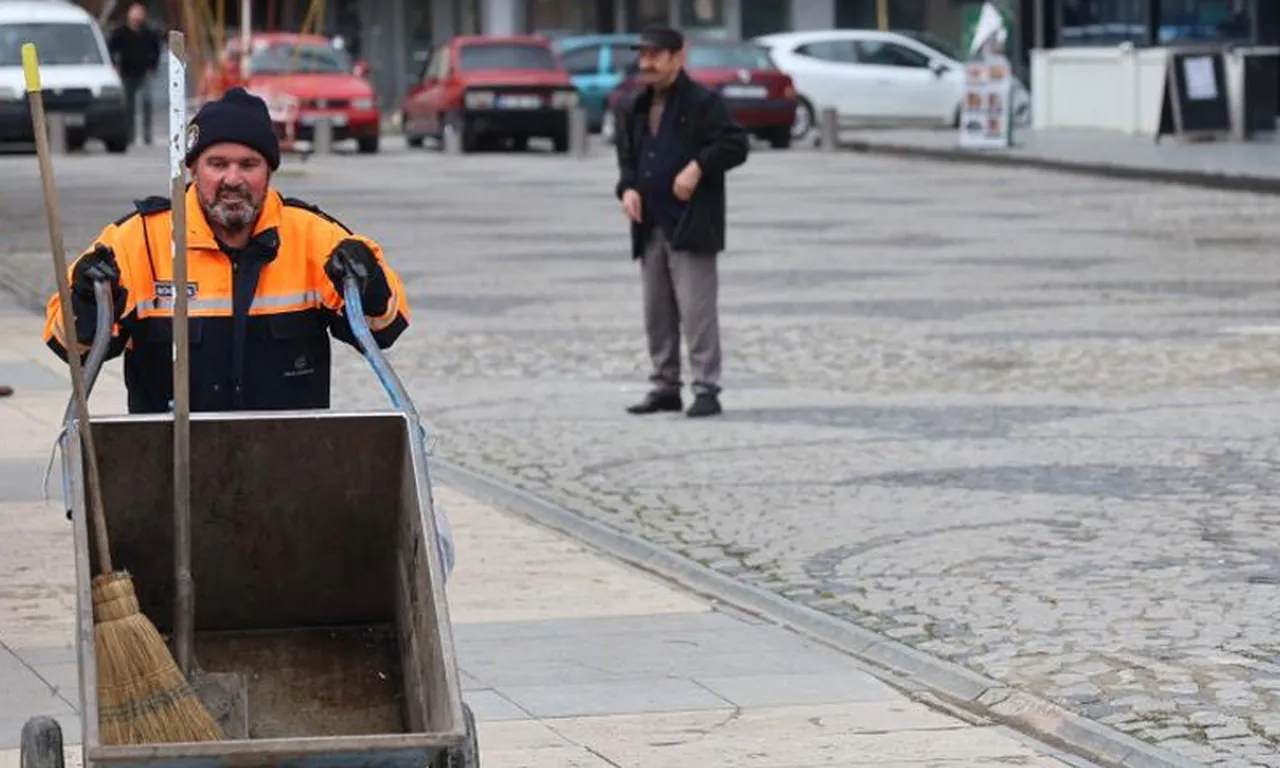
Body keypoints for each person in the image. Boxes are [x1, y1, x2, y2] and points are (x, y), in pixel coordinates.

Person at [40, 87, 455, 576]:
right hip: (169, 484)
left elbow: (385, 326)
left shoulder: (310, 235)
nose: (232, 179)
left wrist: (369, 277)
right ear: (194, 169)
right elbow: (67, 343)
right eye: (218, 164)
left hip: (290, 481)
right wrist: (89, 298)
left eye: (249, 164)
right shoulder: (143, 240)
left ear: (269, 172)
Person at [613, 25, 748, 419]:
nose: (647, 63)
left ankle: (706, 388)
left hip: (691, 223)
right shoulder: (635, 106)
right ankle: (665, 385)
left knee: (697, 311)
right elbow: (628, 160)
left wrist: (698, 167)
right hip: (650, 222)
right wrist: (627, 190)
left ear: (678, 56)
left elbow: (734, 144)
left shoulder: (703, 101)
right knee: (656, 311)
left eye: (655, 55)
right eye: (643, 55)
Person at [107, 3, 161, 146]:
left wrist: (153, 64)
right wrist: (114, 63)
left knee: (146, 101)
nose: (137, 17)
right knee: (128, 105)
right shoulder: (120, 32)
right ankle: (130, 134)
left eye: (140, 14)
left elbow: (156, 49)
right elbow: (111, 48)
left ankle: (147, 135)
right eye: (135, 13)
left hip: (144, 72)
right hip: (126, 72)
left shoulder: (148, 32)